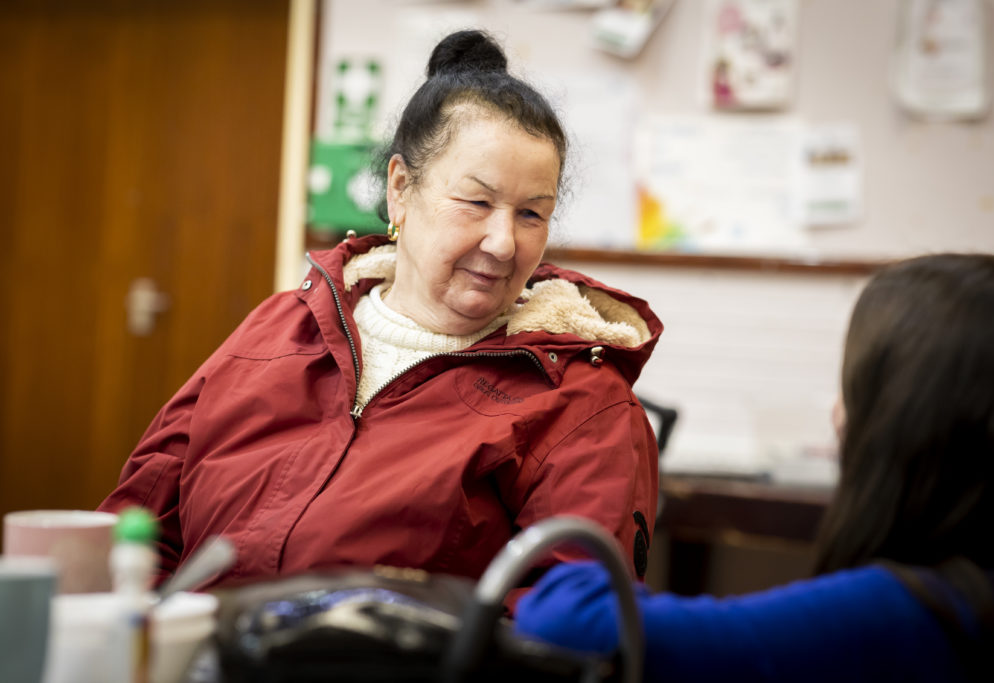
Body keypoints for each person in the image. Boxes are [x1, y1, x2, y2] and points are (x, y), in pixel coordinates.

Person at [98, 29, 662, 590]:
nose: (503, 242)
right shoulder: (282, 326)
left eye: (531, 215)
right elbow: (138, 525)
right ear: (400, 190)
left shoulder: (580, 401)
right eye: (476, 202)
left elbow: (568, 628)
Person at [516, 253, 994, 681]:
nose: (836, 412)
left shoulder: (917, 614)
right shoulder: (989, 592)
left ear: (907, 420)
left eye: (854, 387)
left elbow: (571, 619)